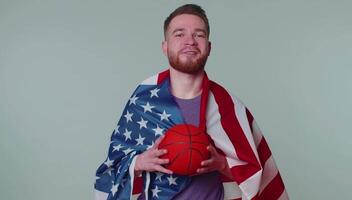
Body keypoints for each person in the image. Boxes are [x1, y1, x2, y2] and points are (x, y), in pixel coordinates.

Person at [95, 4, 288, 200]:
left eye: (199, 35)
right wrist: (138, 162)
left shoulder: (228, 106)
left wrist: (221, 164)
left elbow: (258, 176)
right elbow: (111, 169)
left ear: (209, 47)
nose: (190, 41)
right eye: (179, 34)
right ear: (165, 46)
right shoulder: (143, 101)